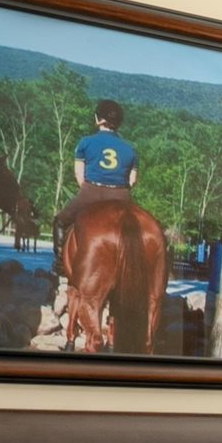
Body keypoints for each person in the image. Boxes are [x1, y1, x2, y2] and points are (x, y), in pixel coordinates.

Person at [53, 102, 139, 313]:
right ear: (119, 123)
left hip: (91, 191)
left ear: (98, 119)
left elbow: (79, 175)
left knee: (60, 220)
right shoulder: (130, 149)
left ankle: (60, 264)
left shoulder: (85, 142)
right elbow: (132, 180)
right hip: (121, 194)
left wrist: (91, 190)